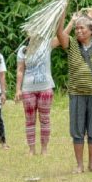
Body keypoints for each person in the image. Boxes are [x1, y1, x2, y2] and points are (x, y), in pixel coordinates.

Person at [57, 8, 92, 173]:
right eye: (77, 28)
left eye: (82, 28)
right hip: (76, 94)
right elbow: (59, 32)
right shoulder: (72, 44)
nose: (79, 30)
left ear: (91, 31)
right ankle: (79, 165)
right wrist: (63, 13)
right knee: (77, 131)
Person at [16, 19, 63, 156]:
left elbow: (62, 34)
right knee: (29, 120)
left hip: (45, 88)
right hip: (28, 89)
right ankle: (31, 150)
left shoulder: (47, 44)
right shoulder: (23, 50)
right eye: (31, 30)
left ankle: (44, 149)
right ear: (27, 33)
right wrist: (18, 89)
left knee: (45, 119)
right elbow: (20, 70)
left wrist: (68, 17)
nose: (33, 32)